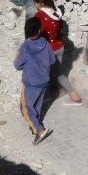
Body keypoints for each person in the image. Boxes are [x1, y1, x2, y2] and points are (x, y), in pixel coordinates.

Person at [32, 0, 82, 105]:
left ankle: (75, 97)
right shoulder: (57, 12)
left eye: (35, 3)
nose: (34, 5)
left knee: (50, 74)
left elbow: (37, 34)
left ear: (41, 4)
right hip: (59, 46)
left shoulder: (40, 15)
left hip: (47, 50)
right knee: (55, 71)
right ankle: (54, 91)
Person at [14, 16, 56, 145]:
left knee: (26, 108)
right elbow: (52, 60)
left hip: (30, 83)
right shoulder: (45, 43)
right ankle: (35, 126)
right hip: (43, 81)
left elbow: (17, 65)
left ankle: (39, 130)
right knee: (36, 105)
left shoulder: (25, 46)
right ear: (39, 30)